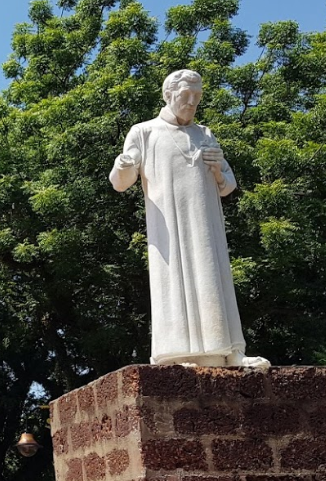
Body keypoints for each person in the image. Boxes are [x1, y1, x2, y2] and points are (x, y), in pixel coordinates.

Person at [109, 69, 269, 367]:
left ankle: (230, 351)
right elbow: (120, 181)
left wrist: (218, 168)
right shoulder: (144, 132)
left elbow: (228, 186)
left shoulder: (205, 133)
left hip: (206, 222)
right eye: (186, 96)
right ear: (169, 95)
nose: (192, 102)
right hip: (169, 226)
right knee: (173, 279)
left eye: (197, 97)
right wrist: (124, 164)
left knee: (213, 274)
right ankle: (174, 354)